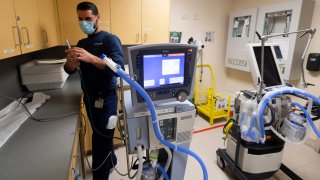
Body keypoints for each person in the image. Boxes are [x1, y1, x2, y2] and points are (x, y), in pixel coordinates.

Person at [64, 1, 124, 180]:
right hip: (90, 100)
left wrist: (91, 58)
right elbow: (70, 71)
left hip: (106, 100)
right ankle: (111, 161)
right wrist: (70, 64)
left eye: (88, 18)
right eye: (80, 19)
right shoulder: (81, 43)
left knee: (100, 142)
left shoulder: (109, 40)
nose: (84, 22)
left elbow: (118, 68)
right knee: (102, 138)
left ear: (98, 17)